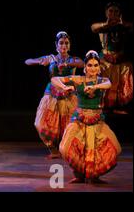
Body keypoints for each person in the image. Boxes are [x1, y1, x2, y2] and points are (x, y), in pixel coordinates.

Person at [52, 50, 122, 183]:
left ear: (99, 68)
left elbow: (108, 84)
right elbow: (54, 79)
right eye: (90, 65)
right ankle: (79, 174)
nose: (93, 68)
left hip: (97, 121)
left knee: (115, 148)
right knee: (66, 148)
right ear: (85, 67)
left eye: (96, 65)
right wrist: (64, 87)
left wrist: (95, 87)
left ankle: (94, 175)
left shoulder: (102, 80)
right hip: (80, 120)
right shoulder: (79, 80)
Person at [25, 31, 84, 159]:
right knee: (40, 123)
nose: (64, 46)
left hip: (69, 94)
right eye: (61, 43)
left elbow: (82, 64)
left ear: (69, 45)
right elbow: (27, 61)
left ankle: (66, 149)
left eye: (66, 43)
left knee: (69, 125)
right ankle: (52, 149)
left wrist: (67, 64)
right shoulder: (51, 58)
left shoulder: (73, 59)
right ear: (56, 45)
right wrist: (40, 61)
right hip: (52, 94)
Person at [91, 2, 133, 114]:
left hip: (120, 60)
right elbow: (93, 28)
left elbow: (131, 27)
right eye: (111, 11)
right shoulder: (102, 26)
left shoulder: (124, 26)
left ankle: (118, 106)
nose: (113, 14)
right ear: (106, 13)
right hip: (105, 59)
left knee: (126, 69)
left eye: (116, 12)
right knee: (101, 68)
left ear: (120, 14)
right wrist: (107, 25)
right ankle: (102, 105)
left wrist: (121, 23)